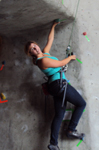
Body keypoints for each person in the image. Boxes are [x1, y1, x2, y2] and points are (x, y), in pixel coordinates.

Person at [24, 21, 86, 150]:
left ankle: (53, 144)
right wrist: (71, 58)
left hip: (56, 87)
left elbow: (50, 39)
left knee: (59, 115)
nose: (36, 48)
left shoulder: (45, 54)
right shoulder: (42, 61)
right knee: (81, 104)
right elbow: (61, 63)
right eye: (32, 49)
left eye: (35, 46)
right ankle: (71, 130)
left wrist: (53, 26)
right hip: (59, 85)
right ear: (31, 54)